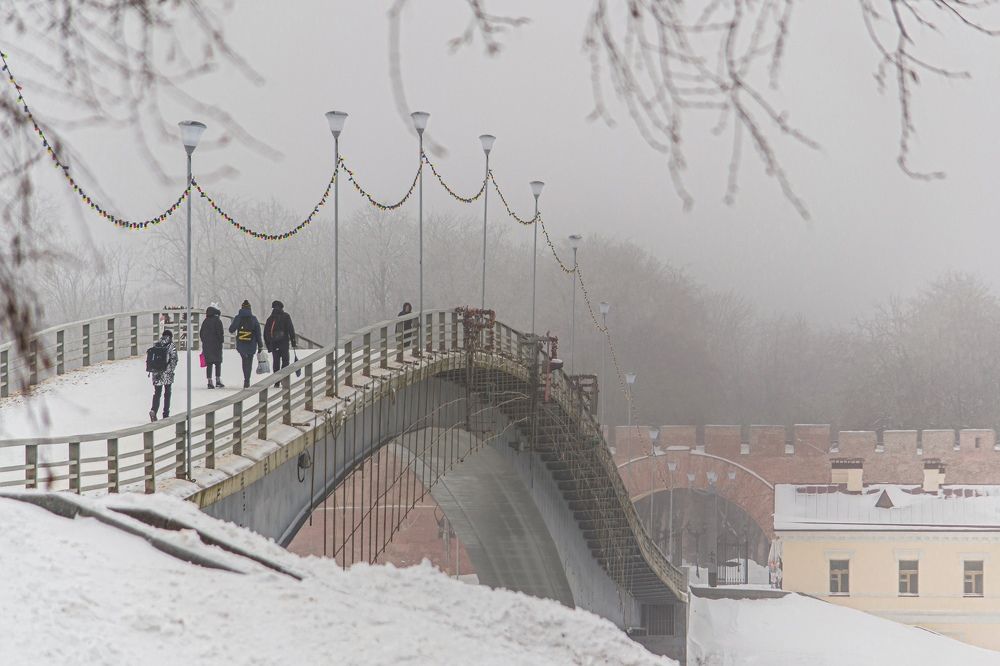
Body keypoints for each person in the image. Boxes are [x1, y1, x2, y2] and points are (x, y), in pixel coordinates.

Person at [229, 299, 263, 389]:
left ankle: (246, 379)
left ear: (242, 308)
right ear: (250, 309)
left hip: (241, 344)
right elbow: (258, 333)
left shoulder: (238, 318)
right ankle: (247, 380)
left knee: (244, 361)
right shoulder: (254, 319)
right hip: (251, 344)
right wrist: (260, 345)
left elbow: (231, 329)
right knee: (249, 362)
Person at [264, 300, 297, 386]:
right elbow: (291, 329)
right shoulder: (286, 316)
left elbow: (265, 333)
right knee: (285, 361)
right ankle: (283, 379)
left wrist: (268, 345)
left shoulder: (270, 319)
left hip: (274, 344)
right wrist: (293, 341)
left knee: (276, 362)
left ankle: (276, 381)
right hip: (284, 343)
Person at [148, 329, 178, 422]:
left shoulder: (157, 344)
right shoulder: (171, 345)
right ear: (170, 337)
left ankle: (153, 410)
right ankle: (166, 413)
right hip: (167, 373)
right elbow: (174, 359)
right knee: (167, 393)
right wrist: (170, 370)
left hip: (156, 373)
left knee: (157, 393)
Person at [199, 303, 225, 389]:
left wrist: (205, 341)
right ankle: (218, 380)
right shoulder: (218, 321)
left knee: (209, 363)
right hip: (216, 345)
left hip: (207, 345)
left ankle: (209, 381)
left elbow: (201, 333)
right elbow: (220, 333)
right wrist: (221, 341)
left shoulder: (205, 321)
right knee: (218, 363)